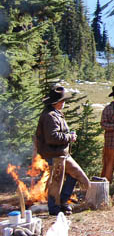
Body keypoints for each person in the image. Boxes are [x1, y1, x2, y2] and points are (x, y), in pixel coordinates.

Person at [35, 86, 90, 215]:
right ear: (57, 102)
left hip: (61, 153)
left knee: (76, 174)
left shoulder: (55, 113)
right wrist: (69, 137)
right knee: (56, 182)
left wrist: (68, 137)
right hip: (54, 154)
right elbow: (52, 137)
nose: (64, 103)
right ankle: (54, 209)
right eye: (63, 100)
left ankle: (63, 201)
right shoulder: (50, 116)